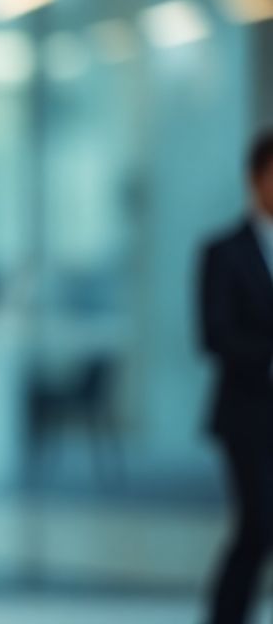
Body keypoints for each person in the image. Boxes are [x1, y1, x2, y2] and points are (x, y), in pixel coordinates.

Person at [201, 128, 273, 624]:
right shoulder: (223, 251)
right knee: (259, 525)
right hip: (248, 412)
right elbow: (214, 334)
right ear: (255, 179)